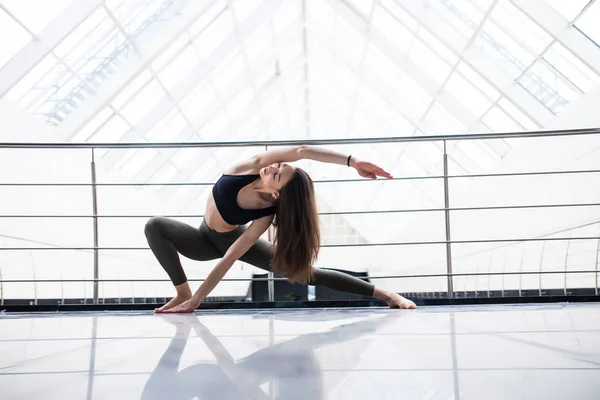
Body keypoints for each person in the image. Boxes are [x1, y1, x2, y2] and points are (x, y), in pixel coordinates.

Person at [144, 145, 417, 313]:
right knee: (155, 226)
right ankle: (182, 291)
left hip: (231, 242)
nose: (270, 169)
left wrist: (199, 301)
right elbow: (302, 151)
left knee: (307, 274)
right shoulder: (247, 168)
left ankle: (386, 295)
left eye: (276, 175)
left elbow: (231, 256)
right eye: (277, 166)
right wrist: (353, 162)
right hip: (201, 239)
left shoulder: (266, 212)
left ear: (276, 195)